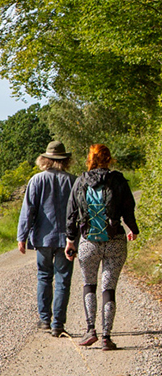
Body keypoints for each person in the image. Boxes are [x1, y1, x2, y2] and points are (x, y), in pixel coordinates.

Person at [65, 144, 139, 350]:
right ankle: (107, 337)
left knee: (89, 284)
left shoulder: (80, 182)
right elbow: (128, 208)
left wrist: (70, 241)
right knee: (109, 288)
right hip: (114, 240)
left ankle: (90, 330)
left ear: (89, 159)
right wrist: (132, 228)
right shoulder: (118, 181)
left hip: (89, 241)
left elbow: (71, 213)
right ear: (109, 159)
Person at [17, 141, 76, 337]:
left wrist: (22, 236)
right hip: (67, 239)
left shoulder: (37, 180)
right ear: (65, 160)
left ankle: (44, 320)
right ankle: (58, 324)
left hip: (43, 238)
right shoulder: (73, 181)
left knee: (44, 276)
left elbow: (28, 210)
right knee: (63, 280)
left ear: (45, 160)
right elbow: (79, 212)